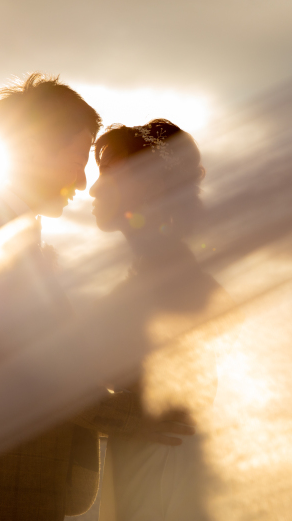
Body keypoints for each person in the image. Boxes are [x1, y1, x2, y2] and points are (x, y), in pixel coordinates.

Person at [0, 76, 194, 521]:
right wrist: (136, 416)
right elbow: (39, 372)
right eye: (78, 159)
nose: (82, 182)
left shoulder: (11, 234)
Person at [90, 119, 233, 521]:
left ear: (149, 185)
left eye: (109, 171)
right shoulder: (155, 269)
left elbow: (186, 392)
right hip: (144, 454)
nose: (94, 189)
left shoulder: (169, 277)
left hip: (159, 462)